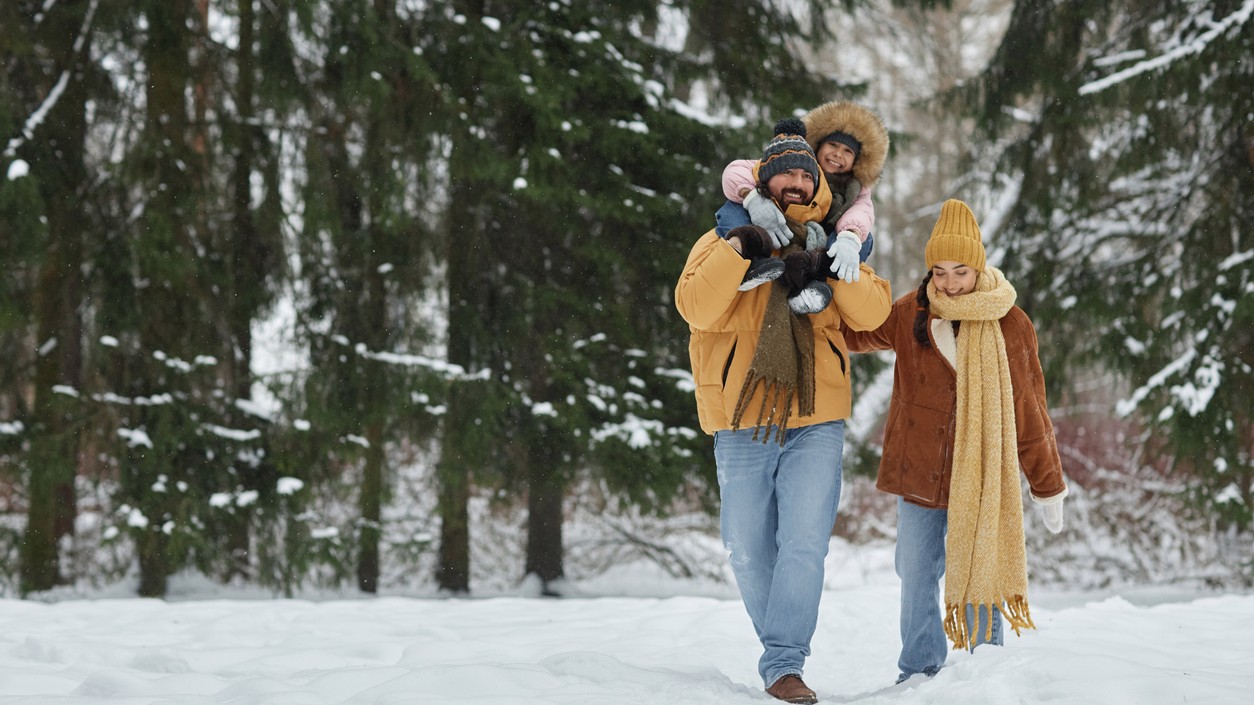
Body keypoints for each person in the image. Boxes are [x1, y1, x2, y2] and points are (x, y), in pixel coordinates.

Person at [674, 131, 893, 704]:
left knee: (803, 542)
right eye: (785, 176)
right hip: (741, 413)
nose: (796, 185)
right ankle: (782, 653)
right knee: (747, 546)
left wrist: (833, 264)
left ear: (817, 183)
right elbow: (694, 307)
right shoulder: (722, 235)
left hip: (817, 414)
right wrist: (740, 248)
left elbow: (871, 313)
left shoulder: (839, 237)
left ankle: (783, 664)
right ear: (764, 179)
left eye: (806, 177)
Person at [840, 199, 1068, 684]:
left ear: (978, 266)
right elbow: (853, 333)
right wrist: (829, 289)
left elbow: (1029, 408)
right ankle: (919, 669)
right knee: (916, 575)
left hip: (982, 473)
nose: (947, 282)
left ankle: (985, 668)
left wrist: (1047, 484)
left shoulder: (1010, 323)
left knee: (982, 567)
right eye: (938, 271)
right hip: (917, 469)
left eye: (959, 270)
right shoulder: (911, 312)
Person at [716, 101, 890, 290]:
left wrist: (850, 236)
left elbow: (861, 212)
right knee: (733, 208)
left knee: (863, 238)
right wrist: (752, 198)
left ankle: (818, 279)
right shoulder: (794, 159)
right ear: (818, 145)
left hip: (821, 239)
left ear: (857, 160)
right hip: (780, 218)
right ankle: (743, 253)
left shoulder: (854, 188)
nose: (838, 154)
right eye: (833, 145)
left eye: (847, 151)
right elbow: (738, 171)